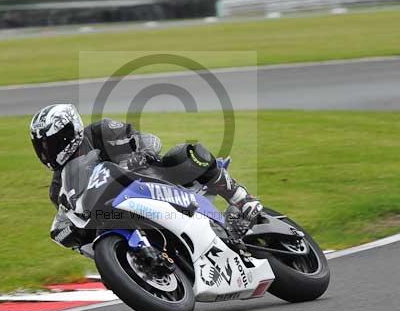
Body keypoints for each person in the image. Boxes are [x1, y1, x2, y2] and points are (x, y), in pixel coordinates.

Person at [29, 103, 263, 248]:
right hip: (116, 214)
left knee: (187, 153)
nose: (48, 151)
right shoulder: (58, 187)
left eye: (52, 142)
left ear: (72, 130)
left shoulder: (100, 131)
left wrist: (141, 154)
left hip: (152, 179)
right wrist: (70, 231)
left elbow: (148, 139)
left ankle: (242, 200)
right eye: (42, 146)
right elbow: (71, 216)